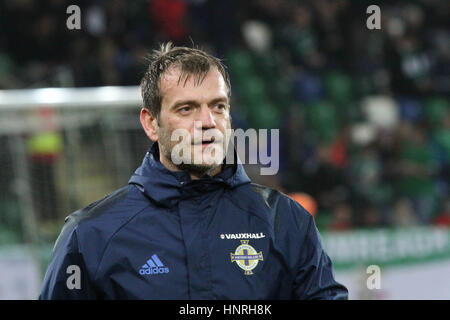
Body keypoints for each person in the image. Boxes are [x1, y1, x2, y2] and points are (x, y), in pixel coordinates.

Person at [39, 43, 348, 300]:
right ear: (150, 123)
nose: (207, 122)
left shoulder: (287, 221)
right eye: (186, 109)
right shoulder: (90, 234)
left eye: (218, 106)